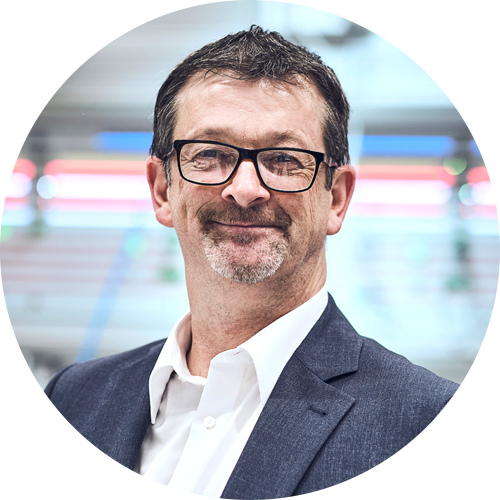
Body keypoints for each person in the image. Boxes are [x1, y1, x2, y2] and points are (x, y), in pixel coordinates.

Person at [12, 26, 500, 500]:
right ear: (162, 190)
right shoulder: (73, 403)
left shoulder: (433, 429)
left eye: (284, 159)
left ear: (336, 198)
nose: (245, 189)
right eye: (209, 154)